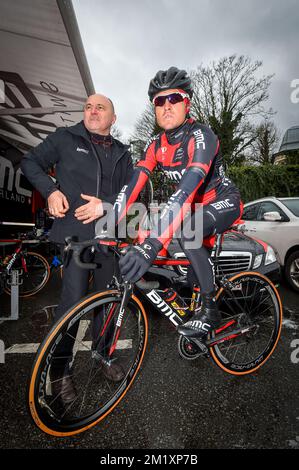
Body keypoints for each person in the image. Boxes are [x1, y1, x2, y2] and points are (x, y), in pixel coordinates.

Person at [105, 67, 243, 339]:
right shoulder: (155, 144)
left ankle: (210, 309)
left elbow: (186, 190)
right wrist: (107, 223)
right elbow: (133, 184)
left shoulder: (202, 136)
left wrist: (154, 244)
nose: (166, 106)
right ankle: (170, 294)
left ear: (187, 103)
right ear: (154, 108)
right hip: (191, 208)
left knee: (185, 231)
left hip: (223, 201)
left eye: (174, 99)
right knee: (143, 237)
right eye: (159, 101)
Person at [21, 94, 133, 401]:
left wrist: (106, 206)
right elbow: (29, 162)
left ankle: (103, 354)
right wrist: (51, 191)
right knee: (71, 305)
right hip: (75, 238)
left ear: (114, 118)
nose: (93, 110)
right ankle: (60, 371)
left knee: (108, 303)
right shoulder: (65, 137)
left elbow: (133, 195)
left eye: (101, 107)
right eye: (88, 106)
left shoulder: (124, 154)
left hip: (110, 238)